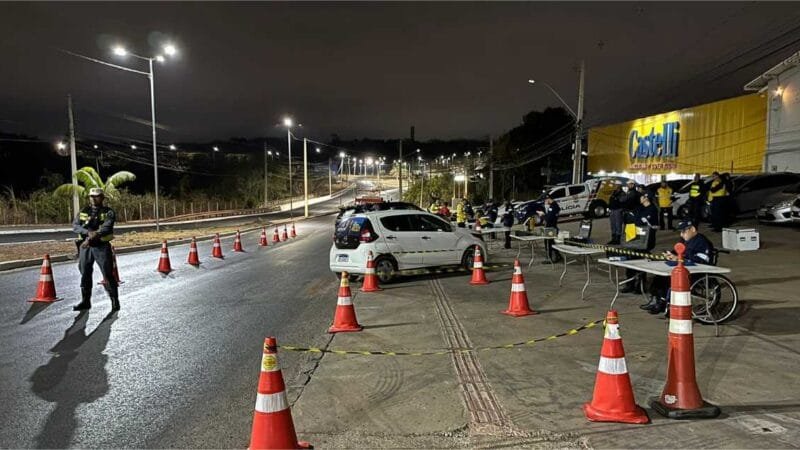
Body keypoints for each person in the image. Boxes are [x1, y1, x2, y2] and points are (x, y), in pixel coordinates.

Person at [641, 220, 714, 314]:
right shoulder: (685, 241)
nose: (681, 235)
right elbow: (676, 251)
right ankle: (657, 300)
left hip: (696, 272)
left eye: (684, 231)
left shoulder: (702, 242)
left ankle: (663, 303)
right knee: (659, 277)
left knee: (668, 279)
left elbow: (703, 260)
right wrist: (670, 255)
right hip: (683, 268)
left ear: (693, 229)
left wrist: (681, 258)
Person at [71, 187, 119, 312]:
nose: (93, 198)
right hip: (85, 248)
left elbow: (107, 227)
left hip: (101, 246)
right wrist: (88, 232)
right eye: (91, 196)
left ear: (102, 197)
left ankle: (114, 301)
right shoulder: (83, 211)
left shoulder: (108, 212)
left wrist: (93, 236)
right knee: (85, 273)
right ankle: (85, 301)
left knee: (107, 273)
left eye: (96, 196)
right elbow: (76, 226)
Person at [619, 192, 659, 293]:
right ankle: (630, 284)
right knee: (630, 261)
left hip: (646, 240)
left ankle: (640, 285)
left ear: (646, 198)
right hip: (635, 238)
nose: (640, 199)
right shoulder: (639, 208)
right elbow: (633, 220)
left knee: (641, 262)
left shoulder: (652, 209)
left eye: (641, 197)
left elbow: (646, 223)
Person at [536, 194, 561, 262]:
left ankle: (549, 259)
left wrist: (542, 215)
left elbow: (549, 218)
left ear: (548, 199)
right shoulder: (554, 206)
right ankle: (558, 256)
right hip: (552, 227)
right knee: (552, 243)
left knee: (548, 244)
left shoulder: (553, 207)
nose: (545, 202)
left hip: (551, 228)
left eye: (545, 200)